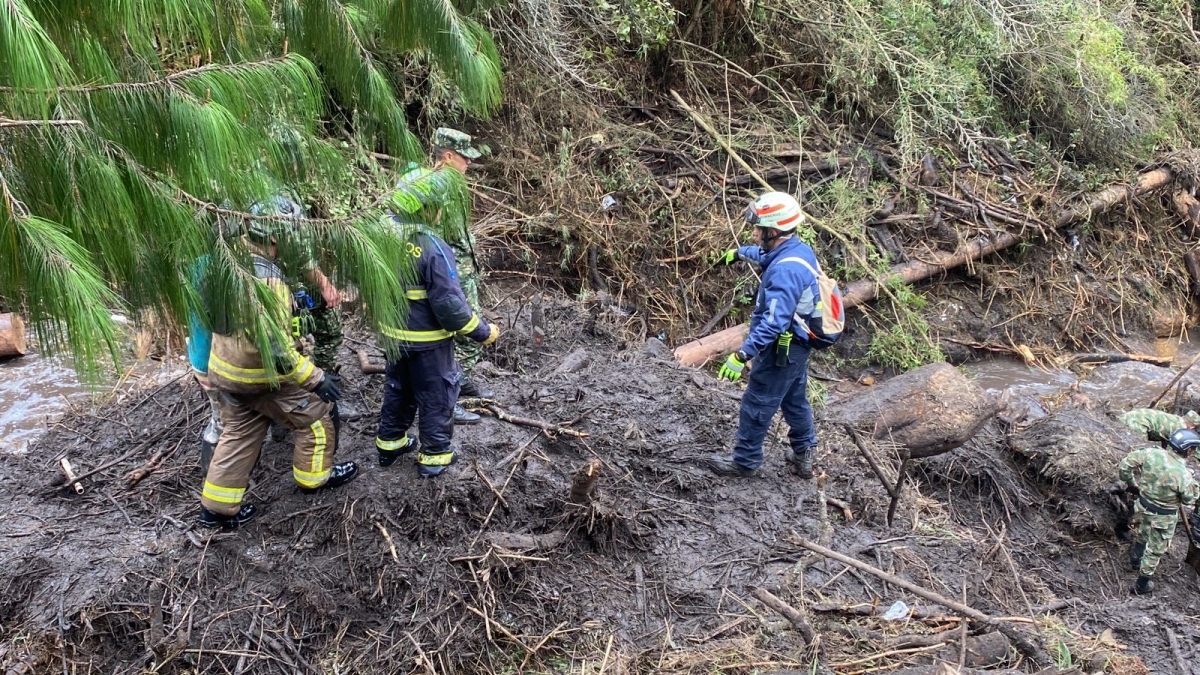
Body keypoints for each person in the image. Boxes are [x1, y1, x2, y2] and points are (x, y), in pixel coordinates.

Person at [198, 214, 356, 529]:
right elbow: (277, 350)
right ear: (273, 239)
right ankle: (314, 479)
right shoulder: (267, 280)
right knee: (316, 416)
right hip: (259, 375)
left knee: (240, 433)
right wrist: (317, 379)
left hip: (225, 372)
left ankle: (216, 509)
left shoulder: (225, 262)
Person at [706, 192, 820, 479]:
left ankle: (744, 462)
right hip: (799, 345)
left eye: (759, 229)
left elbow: (774, 322)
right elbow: (768, 255)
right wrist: (740, 252)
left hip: (783, 347)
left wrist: (742, 354)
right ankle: (804, 453)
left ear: (774, 231)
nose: (755, 233)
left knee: (757, 401)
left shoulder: (787, 271)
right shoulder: (797, 250)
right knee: (794, 398)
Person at [375, 218, 499, 477]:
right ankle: (434, 456)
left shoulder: (379, 234)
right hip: (428, 341)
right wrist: (484, 333)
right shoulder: (431, 245)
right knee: (436, 395)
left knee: (398, 388)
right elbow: (449, 307)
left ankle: (390, 445)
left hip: (392, 336)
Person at [392, 128, 492, 425]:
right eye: (464, 157)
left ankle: (460, 381)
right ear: (448, 156)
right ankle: (450, 390)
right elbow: (423, 229)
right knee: (460, 331)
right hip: (445, 270)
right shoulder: (432, 187)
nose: (468, 163)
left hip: (459, 266)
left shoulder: (451, 185)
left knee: (465, 331)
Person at [1119, 428, 1200, 595]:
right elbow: (1188, 500)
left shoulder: (1150, 453)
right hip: (1163, 517)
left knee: (1142, 531)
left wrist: (1132, 483)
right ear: (1188, 450)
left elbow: (1125, 465)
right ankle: (1141, 585)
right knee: (1155, 550)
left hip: (1142, 505)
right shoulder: (1184, 476)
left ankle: (1136, 558)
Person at [1119, 407, 1200, 444]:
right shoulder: (1180, 430)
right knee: (1139, 447)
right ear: (1192, 427)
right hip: (1138, 424)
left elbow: (1165, 438)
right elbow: (1172, 448)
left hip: (1129, 415)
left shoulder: (1175, 418)